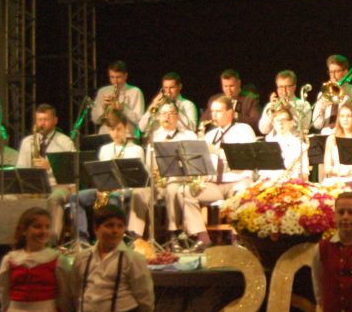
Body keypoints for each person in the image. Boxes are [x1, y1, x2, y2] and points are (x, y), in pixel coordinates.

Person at [178, 96, 257, 248]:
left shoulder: (244, 130)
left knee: (245, 192)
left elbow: (246, 157)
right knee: (186, 191)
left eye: (218, 111)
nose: (214, 115)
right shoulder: (210, 135)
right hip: (216, 184)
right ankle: (203, 238)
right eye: (212, 111)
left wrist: (218, 151)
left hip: (239, 180)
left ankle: (238, 238)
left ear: (230, 113)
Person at [128, 103, 197, 244]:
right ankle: (136, 235)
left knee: (172, 190)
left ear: (177, 116)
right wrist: (153, 173)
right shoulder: (154, 137)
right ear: (158, 117)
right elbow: (149, 166)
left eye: (171, 113)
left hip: (179, 181)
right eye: (163, 114)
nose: (167, 117)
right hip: (159, 183)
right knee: (139, 192)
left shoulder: (188, 136)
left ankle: (173, 233)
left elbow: (193, 164)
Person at [70, 110, 144, 242]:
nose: (115, 133)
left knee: (114, 198)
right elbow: (99, 175)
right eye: (112, 130)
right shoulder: (105, 149)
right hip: (105, 190)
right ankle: (82, 240)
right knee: (76, 198)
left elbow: (138, 180)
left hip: (126, 190)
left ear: (126, 128)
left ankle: (113, 238)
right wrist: (101, 188)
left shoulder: (136, 150)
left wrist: (117, 189)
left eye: (119, 129)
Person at [16, 104, 76, 245]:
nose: (41, 123)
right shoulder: (27, 142)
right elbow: (20, 169)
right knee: (9, 196)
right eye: (39, 120)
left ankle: (51, 241)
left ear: (55, 120)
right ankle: (21, 239)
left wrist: (51, 166)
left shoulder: (65, 142)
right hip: (34, 186)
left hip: (58, 185)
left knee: (55, 198)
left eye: (46, 120)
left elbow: (72, 171)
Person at [322, 103, 352, 197]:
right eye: (342, 116)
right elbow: (327, 168)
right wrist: (337, 171)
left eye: (349, 116)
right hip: (337, 180)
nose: (345, 119)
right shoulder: (331, 139)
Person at [312, 54, 352, 133]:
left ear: (345, 72)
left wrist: (342, 93)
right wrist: (321, 110)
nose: (333, 76)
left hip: (347, 134)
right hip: (326, 133)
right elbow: (317, 125)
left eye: (336, 71)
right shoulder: (323, 94)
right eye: (331, 72)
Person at [91, 60, 145, 137]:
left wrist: (123, 109)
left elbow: (140, 121)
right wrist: (103, 108)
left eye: (118, 77)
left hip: (127, 135)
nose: (115, 81)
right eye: (112, 77)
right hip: (105, 134)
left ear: (125, 76)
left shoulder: (135, 92)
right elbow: (95, 120)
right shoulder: (103, 91)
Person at [259, 70, 312, 136]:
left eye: (287, 87)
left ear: (294, 87)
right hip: (274, 141)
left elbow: (305, 127)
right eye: (280, 87)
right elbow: (263, 130)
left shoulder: (304, 104)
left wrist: (290, 109)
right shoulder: (271, 105)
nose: (284, 91)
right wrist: (271, 113)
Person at [262, 106, 309, 180]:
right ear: (273, 124)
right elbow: (263, 173)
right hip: (271, 182)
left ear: (292, 123)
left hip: (292, 183)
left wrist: (299, 175)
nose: (280, 123)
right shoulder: (268, 144)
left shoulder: (300, 145)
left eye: (283, 120)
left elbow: (305, 174)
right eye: (277, 120)